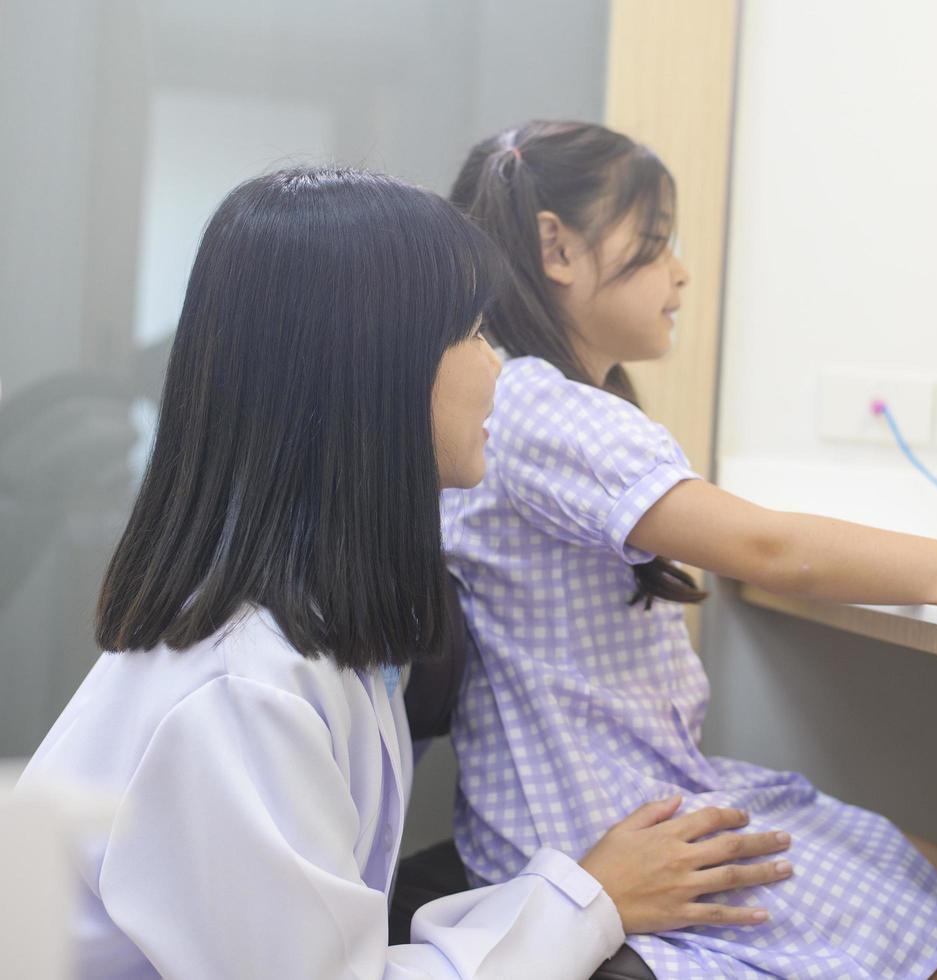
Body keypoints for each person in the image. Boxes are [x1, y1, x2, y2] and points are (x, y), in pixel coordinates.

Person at [441, 121, 937, 978]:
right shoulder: (536, 405)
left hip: (624, 798)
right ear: (556, 247)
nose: (681, 272)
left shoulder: (538, 406)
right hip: (601, 829)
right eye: (657, 243)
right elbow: (769, 548)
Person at [18, 167, 792, 979]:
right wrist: (590, 898)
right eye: (474, 333)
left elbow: (334, 933)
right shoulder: (241, 692)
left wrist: (583, 894)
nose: (498, 370)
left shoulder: (313, 629)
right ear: (372, 369)